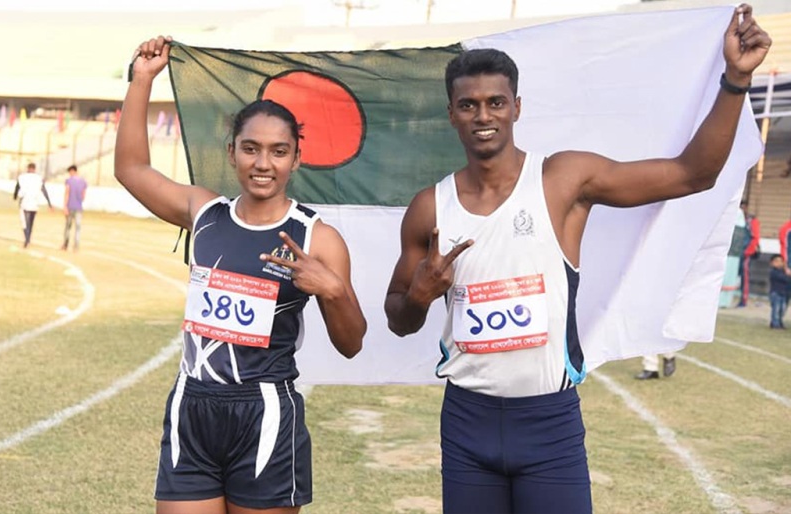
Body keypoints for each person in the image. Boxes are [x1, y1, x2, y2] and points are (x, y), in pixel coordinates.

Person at [383, 6, 770, 513]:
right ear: (451, 112)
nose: (483, 116)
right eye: (469, 105)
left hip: (549, 426)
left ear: (517, 108)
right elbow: (397, 319)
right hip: (467, 421)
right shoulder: (431, 208)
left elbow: (691, 174)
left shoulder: (562, 180)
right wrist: (417, 295)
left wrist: (735, 80)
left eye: (496, 102)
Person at [115, 35, 367, 514]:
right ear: (232, 152)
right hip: (193, 405)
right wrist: (143, 80)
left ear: (296, 157)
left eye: (277, 151)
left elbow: (352, 343)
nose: (263, 164)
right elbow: (131, 169)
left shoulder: (318, 237)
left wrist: (333, 291)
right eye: (251, 149)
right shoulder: (204, 214)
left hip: (265, 413)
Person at [13, 162, 52, 248]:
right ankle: (28, 238)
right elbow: (44, 190)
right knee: (30, 222)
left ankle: (27, 239)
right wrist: (49, 203)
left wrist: (15, 197)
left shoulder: (22, 177)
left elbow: (17, 188)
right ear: (34, 169)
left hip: (25, 202)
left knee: (25, 222)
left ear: (28, 168)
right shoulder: (38, 178)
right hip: (34, 203)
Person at [738, 200, 760, 306]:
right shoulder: (735, 219)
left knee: (744, 275)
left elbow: (755, 237)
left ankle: (744, 299)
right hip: (735, 252)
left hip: (745, 252)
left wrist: (748, 251)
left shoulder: (751, 221)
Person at [62, 164, 87, 251]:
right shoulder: (83, 181)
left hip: (70, 206)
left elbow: (67, 193)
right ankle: (76, 246)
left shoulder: (69, 181)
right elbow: (84, 196)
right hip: (79, 207)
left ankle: (65, 244)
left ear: (72, 171)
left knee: (68, 227)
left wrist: (65, 206)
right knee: (78, 228)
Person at [768, 254, 790, 329]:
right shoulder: (773, 272)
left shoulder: (784, 271)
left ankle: (779, 322)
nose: (779, 263)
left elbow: (787, 281)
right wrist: (788, 274)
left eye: (781, 261)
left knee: (782, 310)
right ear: (771, 263)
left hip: (783, 293)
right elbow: (782, 279)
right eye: (776, 261)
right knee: (776, 309)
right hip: (776, 293)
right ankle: (775, 323)